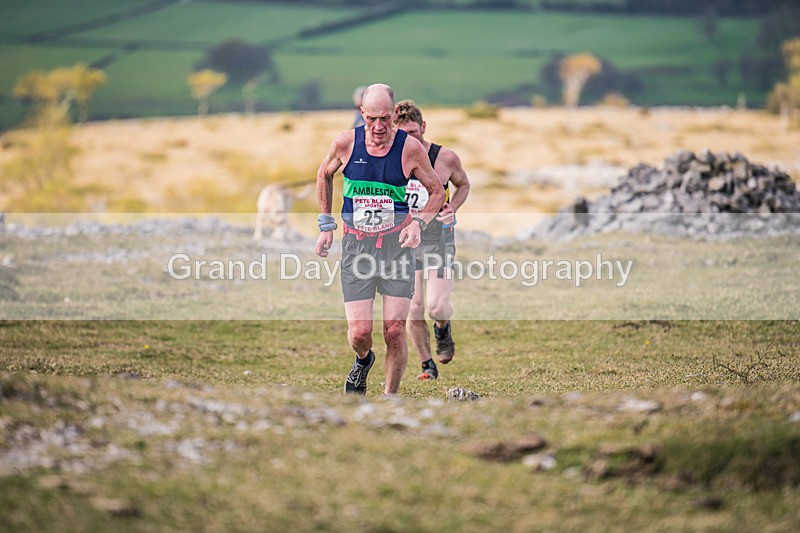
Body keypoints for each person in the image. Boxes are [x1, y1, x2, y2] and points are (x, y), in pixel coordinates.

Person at [315, 84, 445, 396]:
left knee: (395, 330)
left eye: (385, 118)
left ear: (394, 113)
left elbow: (437, 191)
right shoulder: (346, 143)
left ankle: (390, 398)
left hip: (396, 249)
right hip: (357, 247)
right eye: (371, 118)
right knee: (360, 333)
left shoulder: (409, 149)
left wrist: (418, 223)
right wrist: (326, 224)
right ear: (362, 113)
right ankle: (363, 360)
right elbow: (324, 174)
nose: (378, 127)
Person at [394, 100, 470, 381]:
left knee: (436, 306)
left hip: (439, 238)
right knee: (413, 307)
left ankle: (442, 326)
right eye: (402, 134)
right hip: (406, 240)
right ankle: (427, 364)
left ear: (423, 127)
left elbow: (463, 184)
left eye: (413, 132)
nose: (409, 139)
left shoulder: (445, 158)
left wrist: (454, 207)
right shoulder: (392, 160)